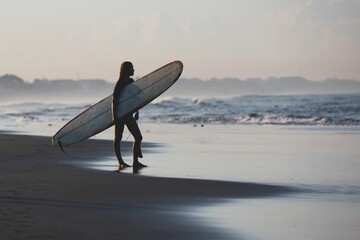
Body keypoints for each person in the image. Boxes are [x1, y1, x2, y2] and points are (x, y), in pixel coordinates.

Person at [112, 61, 147, 171]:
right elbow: (114, 100)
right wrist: (114, 115)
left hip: (128, 114)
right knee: (118, 138)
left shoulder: (131, 82)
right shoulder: (120, 83)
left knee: (138, 137)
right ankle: (121, 162)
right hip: (120, 114)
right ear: (126, 70)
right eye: (132, 68)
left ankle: (135, 162)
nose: (133, 70)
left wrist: (137, 111)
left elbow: (135, 98)